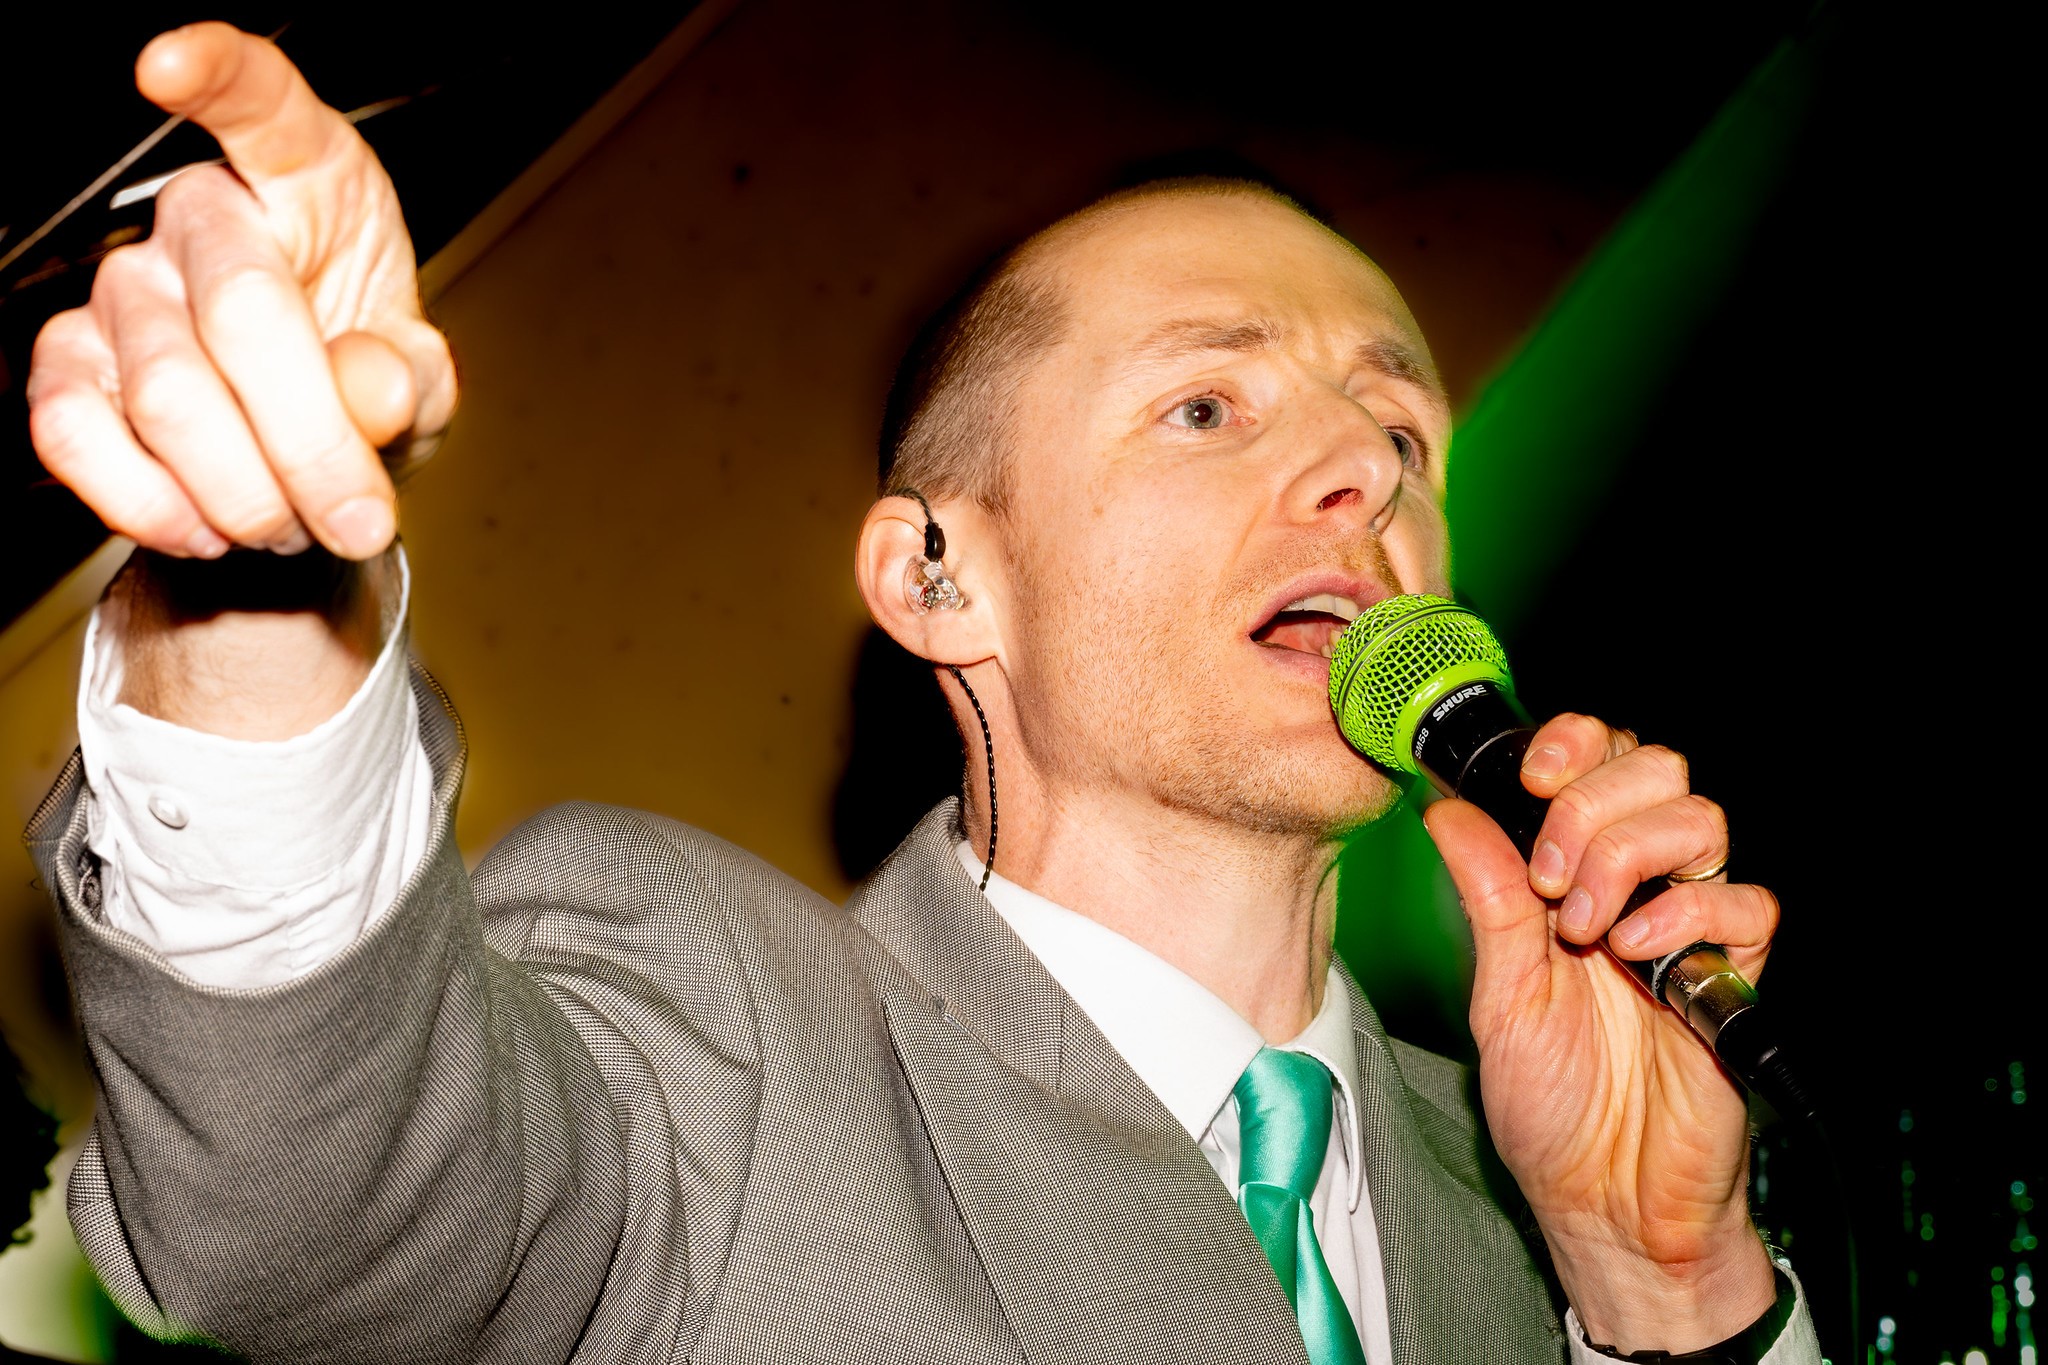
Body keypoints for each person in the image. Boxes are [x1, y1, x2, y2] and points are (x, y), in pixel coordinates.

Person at [23, 23, 1820, 1365]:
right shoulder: (716, 1034)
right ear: (936, 577)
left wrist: (1666, 1285)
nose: (1369, 466)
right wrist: (255, 585)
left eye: (1404, 426)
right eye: (1207, 405)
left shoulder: (1524, 1180)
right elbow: (322, 1219)